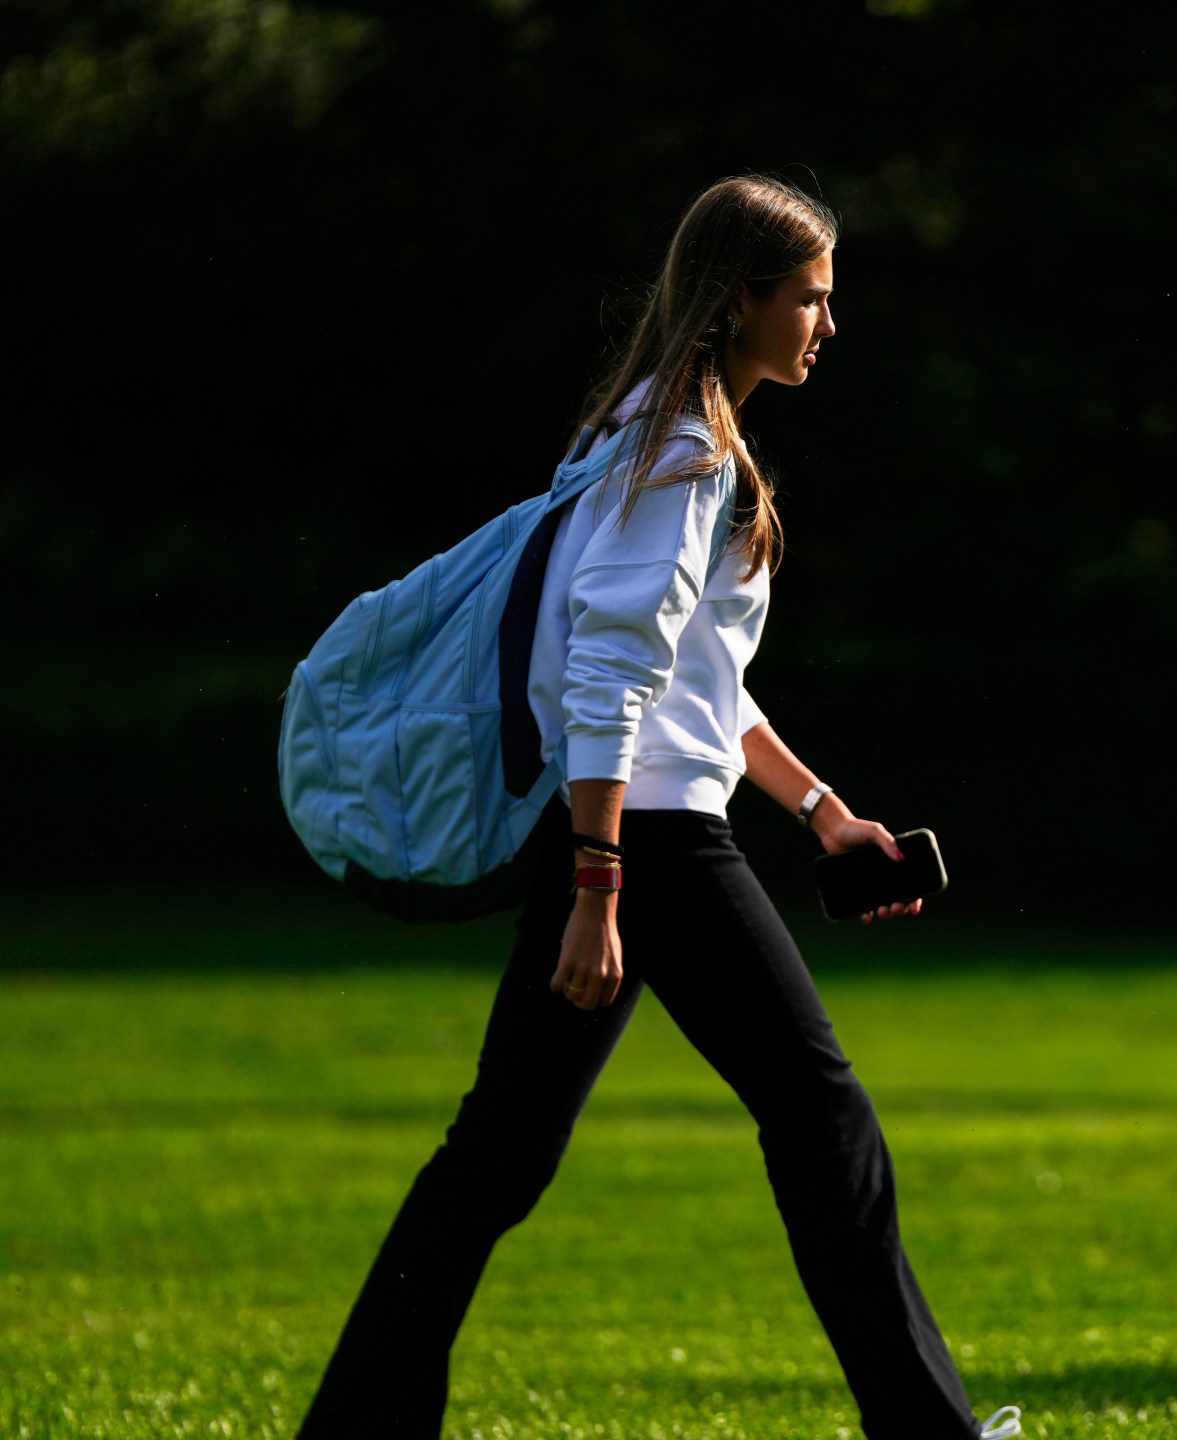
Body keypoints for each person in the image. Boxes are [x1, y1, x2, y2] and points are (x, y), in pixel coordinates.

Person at [299, 176, 1019, 1440]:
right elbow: (605, 674)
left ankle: (358, 1424)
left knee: (501, 1154)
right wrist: (597, 883)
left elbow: (702, 685)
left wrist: (824, 814)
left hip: (636, 828)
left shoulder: (639, 436)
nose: (825, 325)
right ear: (738, 298)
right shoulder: (679, 453)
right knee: (820, 1116)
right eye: (808, 298)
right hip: (650, 843)